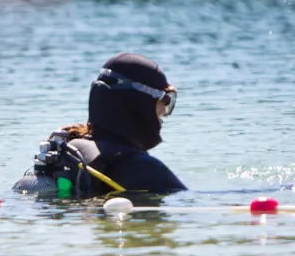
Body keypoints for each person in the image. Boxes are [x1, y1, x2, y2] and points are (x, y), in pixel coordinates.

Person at [13, 52, 186, 197]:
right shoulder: (142, 168)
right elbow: (188, 204)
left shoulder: (70, 149)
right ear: (139, 103)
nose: (165, 110)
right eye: (164, 99)